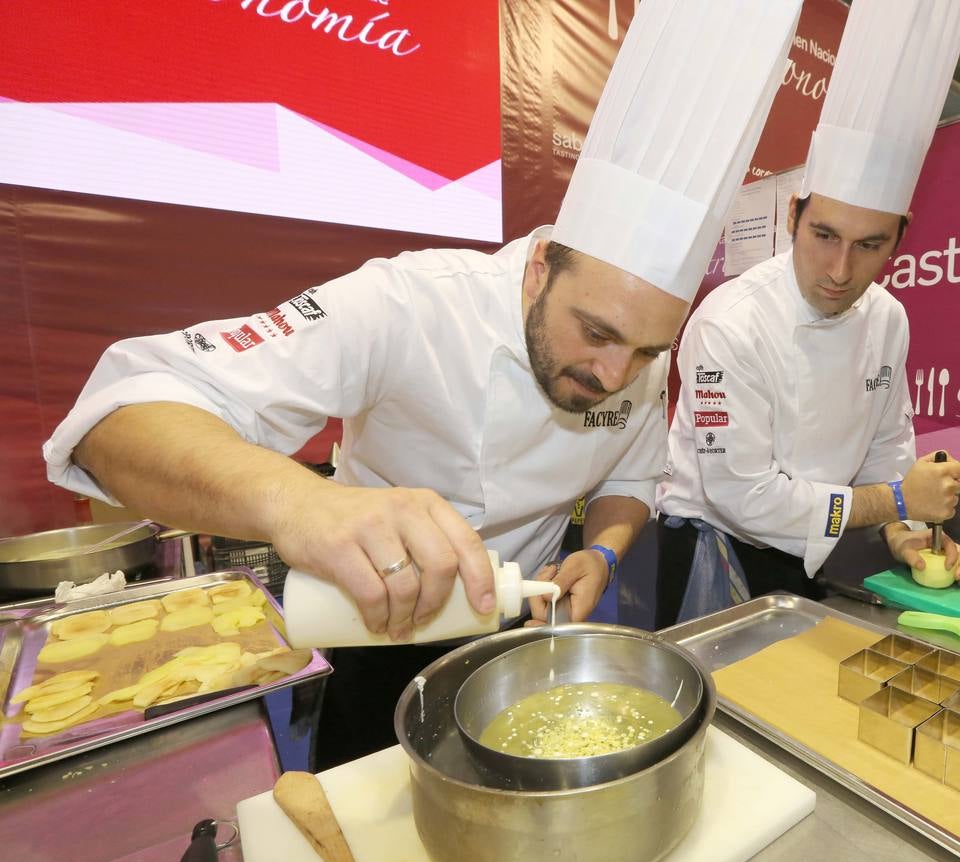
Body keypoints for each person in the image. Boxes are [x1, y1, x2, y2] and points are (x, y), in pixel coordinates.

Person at [42, 0, 804, 767]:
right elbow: (120, 416)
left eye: (644, 352)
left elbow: (635, 477)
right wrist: (298, 500)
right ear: (540, 267)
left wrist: (603, 553)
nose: (614, 375)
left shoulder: (634, 351)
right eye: (597, 333)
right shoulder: (409, 302)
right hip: (374, 625)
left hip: (518, 628)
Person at [655, 0, 960, 627]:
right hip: (712, 550)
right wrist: (893, 501)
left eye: (869, 246)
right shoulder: (730, 323)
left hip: (809, 548)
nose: (839, 271)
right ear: (795, 214)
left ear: (900, 237)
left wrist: (905, 531)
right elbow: (744, 495)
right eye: (824, 235)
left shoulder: (888, 319)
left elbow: (888, 444)